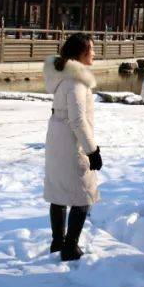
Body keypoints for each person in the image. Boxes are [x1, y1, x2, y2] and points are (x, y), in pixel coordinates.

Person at [43, 33, 103, 262]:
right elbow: (78, 120)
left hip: (56, 137)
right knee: (83, 195)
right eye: (92, 49)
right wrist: (92, 150)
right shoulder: (77, 81)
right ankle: (70, 246)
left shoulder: (61, 76)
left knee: (58, 192)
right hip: (71, 142)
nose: (95, 53)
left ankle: (57, 242)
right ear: (81, 52)